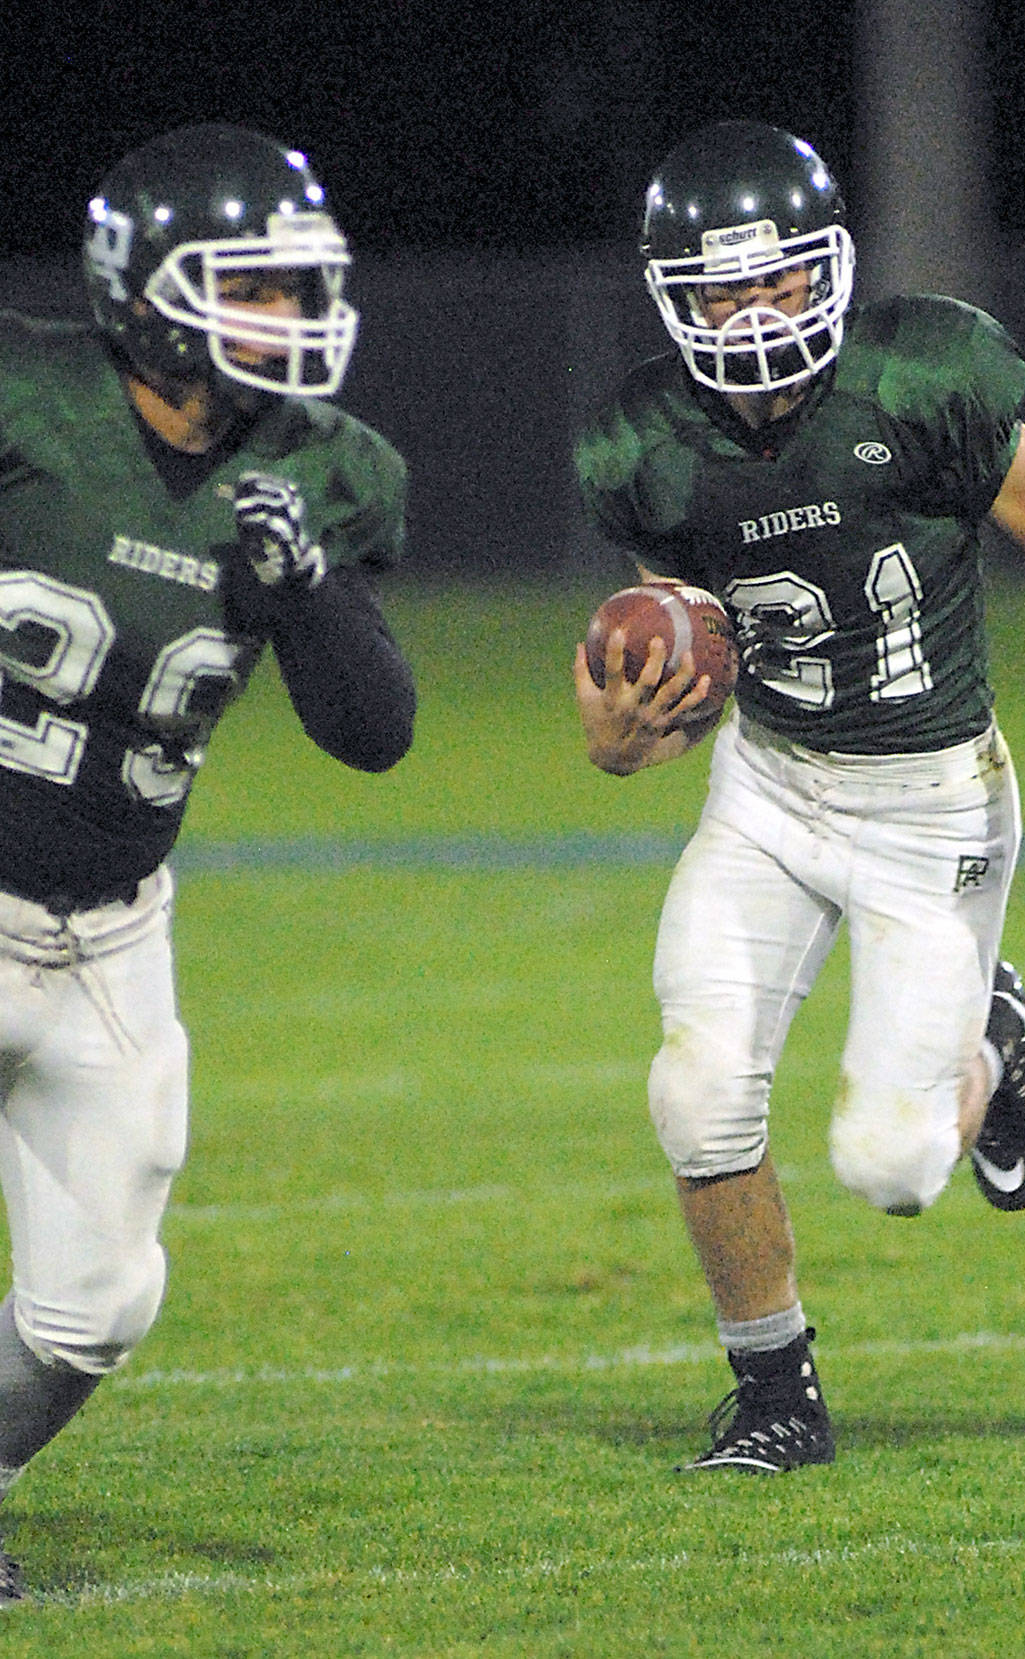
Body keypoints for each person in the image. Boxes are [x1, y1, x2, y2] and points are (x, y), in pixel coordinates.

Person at [573, 120, 1025, 1474]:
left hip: (934, 805)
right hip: (771, 792)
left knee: (892, 1169)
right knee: (699, 1092)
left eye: (777, 278)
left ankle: (990, 1036)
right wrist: (619, 739)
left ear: (829, 267)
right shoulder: (648, 445)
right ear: (674, 299)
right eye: (723, 289)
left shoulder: (919, 383)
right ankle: (776, 1392)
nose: (755, 313)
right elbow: (666, 674)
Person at [0, 124, 417, 1597]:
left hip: (112, 933)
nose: (291, 317)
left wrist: (308, 588)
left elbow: (374, 734)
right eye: (254, 287)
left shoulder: (326, 474)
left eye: (300, 287)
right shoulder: (30, 398)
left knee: (96, 1309)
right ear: (147, 293)